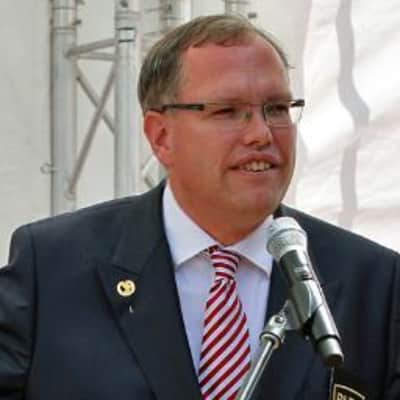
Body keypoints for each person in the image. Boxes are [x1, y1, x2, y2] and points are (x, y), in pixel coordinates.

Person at [0, 14, 399, 400]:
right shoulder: (51, 269)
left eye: (277, 108)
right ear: (161, 136)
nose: (261, 134)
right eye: (228, 111)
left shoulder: (374, 283)